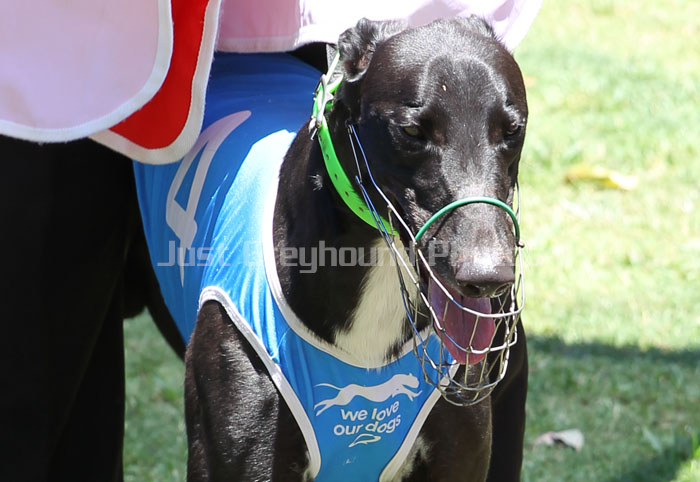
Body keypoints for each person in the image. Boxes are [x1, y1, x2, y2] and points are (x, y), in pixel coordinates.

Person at [0, 1, 541, 480]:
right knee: (44, 393)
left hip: (298, 29)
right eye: (415, 133)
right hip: (91, 60)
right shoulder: (249, 331)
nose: (489, 263)